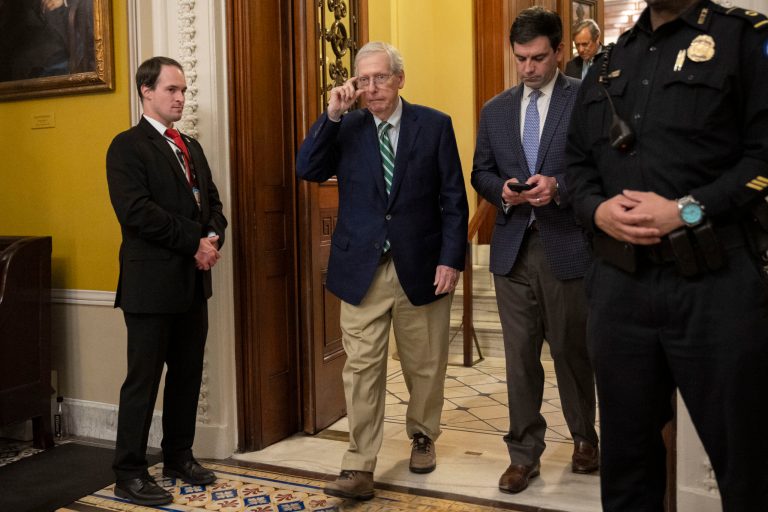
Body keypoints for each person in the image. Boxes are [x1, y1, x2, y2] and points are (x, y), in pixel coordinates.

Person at [565, 0, 768, 509]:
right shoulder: (609, 63)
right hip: (620, 291)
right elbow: (577, 165)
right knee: (628, 470)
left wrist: (688, 211)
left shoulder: (742, 39)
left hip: (715, 285)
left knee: (748, 466)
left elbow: (764, 155)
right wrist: (597, 210)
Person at [296, 41, 468, 501]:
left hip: (423, 266)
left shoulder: (434, 125)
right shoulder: (347, 127)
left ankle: (422, 435)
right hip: (361, 270)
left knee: (425, 365)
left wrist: (452, 258)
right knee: (362, 369)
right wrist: (331, 113)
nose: (372, 88)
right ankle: (358, 464)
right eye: (364, 79)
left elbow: (454, 199)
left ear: (399, 79)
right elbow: (307, 167)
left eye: (380, 78)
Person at [471, 6, 599, 495]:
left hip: (566, 246)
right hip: (511, 251)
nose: (528, 68)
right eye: (520, 58)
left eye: (539, 58)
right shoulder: (495, 109)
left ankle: (585, 440)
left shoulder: (586, 99)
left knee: (571, 352)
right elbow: (479, 171)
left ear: (560, 52)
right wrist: (501, 190)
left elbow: (599, 169)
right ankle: (523, 455)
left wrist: (560, 187)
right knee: (520, 358)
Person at [106, 56, 227, 506]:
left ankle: (178, 455)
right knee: (143, 382)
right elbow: (137, 213)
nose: (180, 97)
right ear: (146, 91)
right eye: (171, 89)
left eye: (183, 90)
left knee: (187, 376)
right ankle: (129, 472)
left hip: (192, 285)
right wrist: (196, 241)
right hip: (150, 288)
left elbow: (211, 201)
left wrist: (213, 234)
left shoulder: (190, 145)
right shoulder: (127, 146)